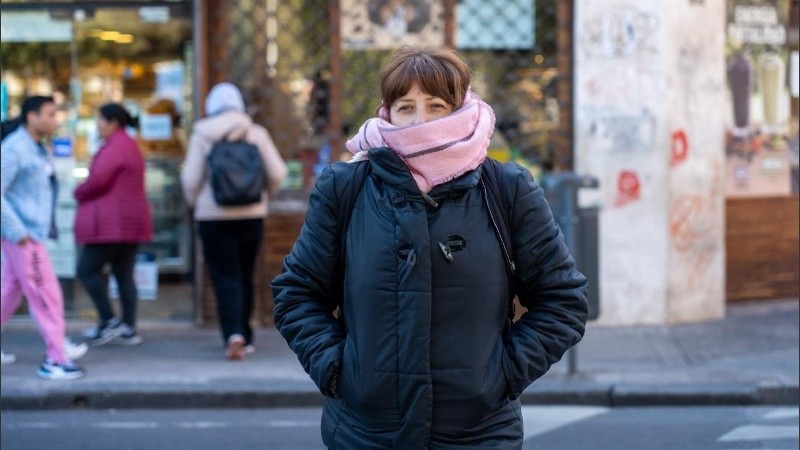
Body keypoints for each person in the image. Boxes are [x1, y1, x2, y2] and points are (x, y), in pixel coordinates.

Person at [271, 46, 589, 448]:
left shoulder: (507, 189)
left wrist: (501, 375)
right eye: (406, 107)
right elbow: (296, 293)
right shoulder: (345, 187)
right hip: (365, 434)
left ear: (460, 108)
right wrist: (338, 371)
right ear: (387, 113)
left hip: (477, 435)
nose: (420, 121)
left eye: (436, 105)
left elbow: (564, 300)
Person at [181, 82, 287, 360]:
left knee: (224, 275)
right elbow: (278, 172)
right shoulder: (256, 133)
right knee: (245, 272)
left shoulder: (202, 134)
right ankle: (247, 336)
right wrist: (264, 196)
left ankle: (233, 334)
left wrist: (196, 203)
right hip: (252, 215)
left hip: (213, 217)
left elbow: (190, 179)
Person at [0, 95, 87, 379]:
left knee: (9, 293)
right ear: (31, 116)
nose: (55, 120)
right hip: (23, 236)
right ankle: (55, 359)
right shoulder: (15, 149)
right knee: (47, 296)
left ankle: (57, 351)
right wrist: (18, 233)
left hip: (28, 233)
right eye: (49, 114)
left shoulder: (35, 147)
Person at [74, 103, 152, 347]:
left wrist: (78, 191)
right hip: (128, 222)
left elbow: (97, 180)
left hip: (111, 224)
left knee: (86, 270)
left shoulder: (115, 146)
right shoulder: (129, 144)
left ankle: (109, 320)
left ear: (113, 123)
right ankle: (128, 327)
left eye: (100, 120)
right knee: (124, 276)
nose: (97, 125)